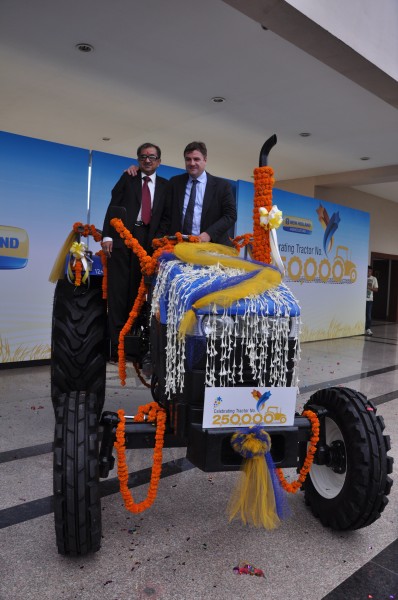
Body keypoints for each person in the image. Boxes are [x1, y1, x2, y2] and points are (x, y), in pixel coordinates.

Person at [102, 143, 168, 362]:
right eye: (143, 156)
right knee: (118, 293)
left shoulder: (167, 187)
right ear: (138, 160)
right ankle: (115, 347)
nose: (147, 160)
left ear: (159, 161)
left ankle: (134, 347)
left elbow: (167, 217)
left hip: (148, 244)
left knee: (139, 293)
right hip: (122, 240)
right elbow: (113, 206)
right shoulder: (128, 178)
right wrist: (108, 235)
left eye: (152, 157)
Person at [158, 141, 237, 245]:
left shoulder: (222, 186)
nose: (192, 163)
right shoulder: (174, 183)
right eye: (188, 159)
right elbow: (166, 215)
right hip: (178, 245)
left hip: (211, 247)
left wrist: (209, 234)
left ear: (205, 160)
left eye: (196, 159)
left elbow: (230, 216)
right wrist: (159, 240)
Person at [365, 265, 378, 336]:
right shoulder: (362, 278)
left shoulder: (374, 279)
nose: (368, 272)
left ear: (371, 272)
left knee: (368, 315)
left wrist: (369, 288)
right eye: (367, 271)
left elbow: (376, 289)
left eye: (369, 271)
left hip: (369, 300)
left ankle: (368, 329)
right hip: (361, 300)